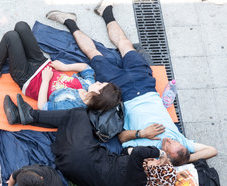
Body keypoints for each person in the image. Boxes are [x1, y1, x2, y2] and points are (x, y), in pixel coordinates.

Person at [45, 2, 217, 166]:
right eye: (173, 141)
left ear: (165, 154)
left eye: (168, 143)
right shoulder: (181, 142)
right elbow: (212, 150)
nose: (170, 138)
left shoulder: (148, 149)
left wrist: (142, 135)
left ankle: (69, 21)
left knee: (94, 55)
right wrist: (186, 158)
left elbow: (121, 141)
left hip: (122, 93)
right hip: (145, 85)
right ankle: (106, 11)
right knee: (125, 44)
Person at [3, 96, 177, 186]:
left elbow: (138, 152)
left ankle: (31, 115)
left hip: (82, 154)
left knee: (79, 114)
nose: (156, 163)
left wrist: (160, 153)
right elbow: (126, 153)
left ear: (156, 177)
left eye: (159, 166)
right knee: (71, 121)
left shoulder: (139, 178)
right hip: (66, 164)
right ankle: (25, 116)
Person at [0, 21, 121, 112]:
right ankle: (15, 54)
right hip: (42, 64)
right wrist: (64, 67)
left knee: (11, 37)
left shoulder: (73, 105)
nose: (98, 82)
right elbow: (86, 68)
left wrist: (45, 80)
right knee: (22, 26)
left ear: (98, 95)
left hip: (28, 79)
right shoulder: (88, 84)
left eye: (100, 85)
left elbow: (43, 107)